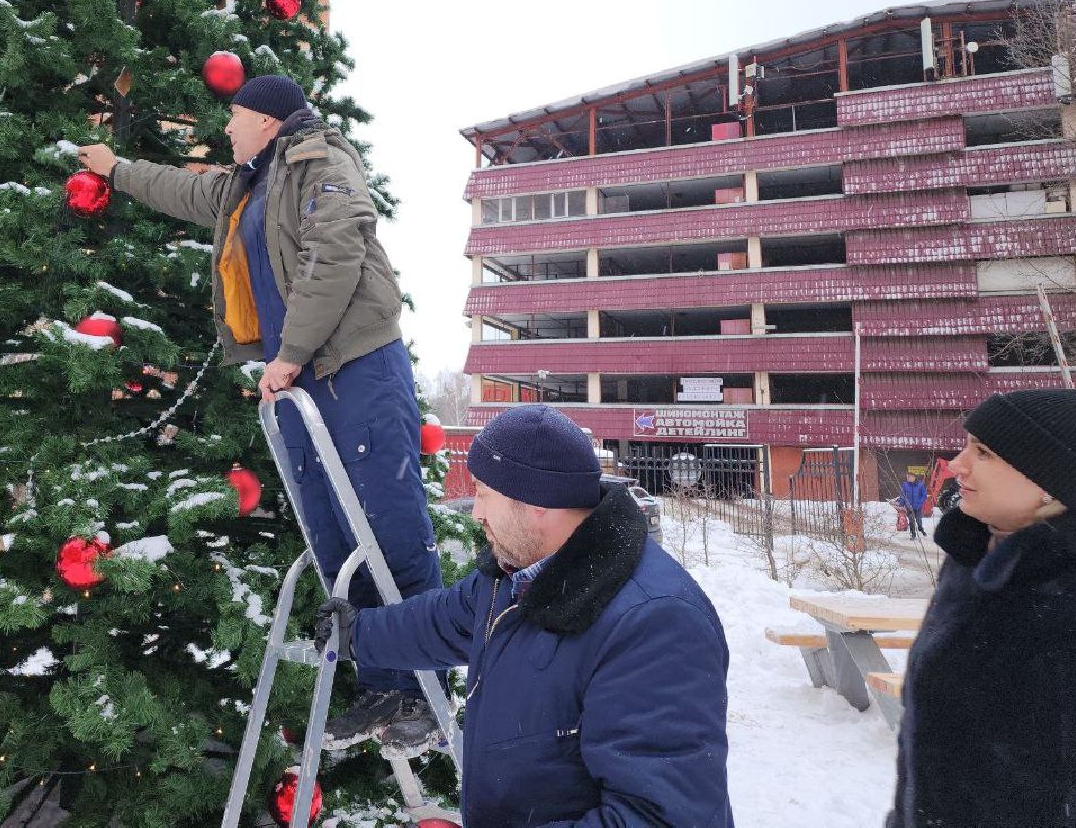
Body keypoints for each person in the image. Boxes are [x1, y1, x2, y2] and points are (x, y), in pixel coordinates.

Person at [76, 75, 443, 747]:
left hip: (354, 367)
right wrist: (116, 170)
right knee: (334, 538)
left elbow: (337, 251)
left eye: (235, 116)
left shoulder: (319, 164)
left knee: (388, 531)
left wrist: (291, 350)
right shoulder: (246, 185)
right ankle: (381, 688)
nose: (226, 128)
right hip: (301, 385)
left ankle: (418, 695)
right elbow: (184, 190)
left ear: (268, 122)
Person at [315, 405, 733, 827]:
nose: (475, 512)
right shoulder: (516, 574)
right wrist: (357, 634)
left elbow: (659, 819)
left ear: (536, 501)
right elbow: (446, 620)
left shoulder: (656, 625)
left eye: (484, 493)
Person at [889, 388, 1076, 828]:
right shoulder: (970, 559)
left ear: (1050, 480)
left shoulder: (1070, 597)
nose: (958, 463)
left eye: (985, 453)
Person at [898, 470, 928, 540]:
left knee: (918, 521)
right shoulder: (905, 485)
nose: (908, 478)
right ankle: (913, 534)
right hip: (909, 507)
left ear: (914, 477)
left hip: (918, 507)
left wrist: (919, 504)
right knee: (911, 521)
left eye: (909, 477)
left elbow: (924, 495)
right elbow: (902, 495)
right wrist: (901, 504)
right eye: (907, 477)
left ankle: (921, 529)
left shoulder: (920, 485)